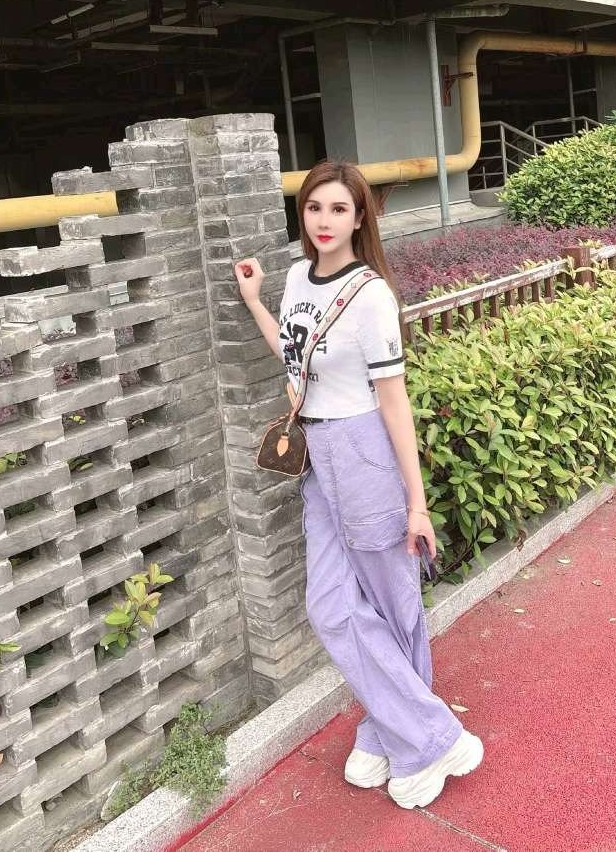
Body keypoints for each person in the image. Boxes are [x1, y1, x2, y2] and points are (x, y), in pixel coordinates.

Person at [233, 159, 484, 810]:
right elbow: (295, 361)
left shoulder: (372, 295)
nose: (324, 220)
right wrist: (256, 302)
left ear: (359, 216)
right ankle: (421, 732)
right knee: (331, 606)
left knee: (394, 604)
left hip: (364, 450)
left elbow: (394, 401)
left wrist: (416, 503)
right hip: (318, 459)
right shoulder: (296, 278)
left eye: (338, 208)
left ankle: (408, 738)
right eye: (314, 206)